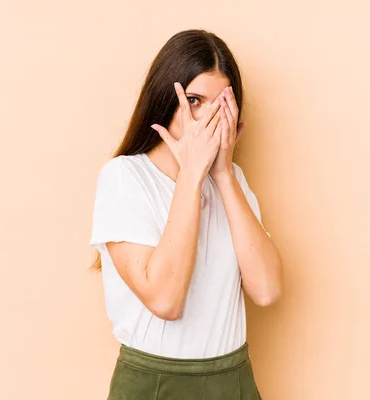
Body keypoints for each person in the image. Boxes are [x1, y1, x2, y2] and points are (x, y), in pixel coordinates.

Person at [89, 29, 283, 400]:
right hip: (153, 385)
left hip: (231, 380)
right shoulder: (124, 177)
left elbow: (267, 290)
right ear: (165, 98)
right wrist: (192, 174)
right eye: (193, 99)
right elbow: (166, 301)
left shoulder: (233, 180)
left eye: (220, 104)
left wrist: (223, 175)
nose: (205, 117)